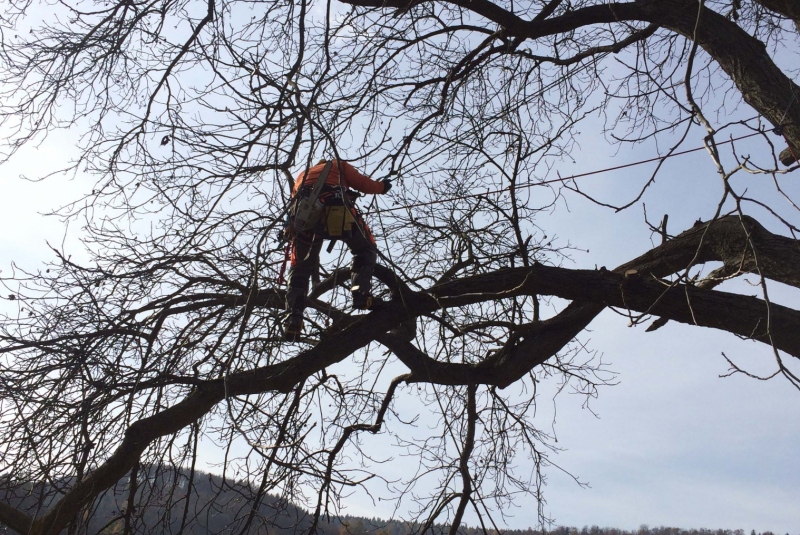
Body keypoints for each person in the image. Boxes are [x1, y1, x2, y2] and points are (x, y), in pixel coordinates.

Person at [282, 158, 392, 341]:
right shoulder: (338, 165)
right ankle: (361, 294)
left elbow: (292, 205)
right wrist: (382, 187)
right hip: (335, 210)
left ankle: (293, 316)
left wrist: (289, 228)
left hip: (303, 218)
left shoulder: (302, 175)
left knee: (299, 267)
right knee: (365, 248)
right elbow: (362, 183)